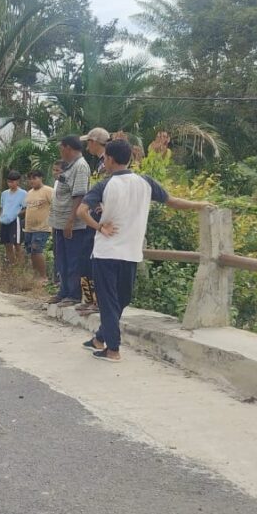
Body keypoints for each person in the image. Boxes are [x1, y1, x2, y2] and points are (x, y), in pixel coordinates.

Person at [77, 139, 211, 363]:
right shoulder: (145, 182)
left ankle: (110, 347)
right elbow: (173, 202)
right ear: (129, 158)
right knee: (120, 299)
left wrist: (99, 226)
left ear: (109, 159)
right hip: (130, 252)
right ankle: (105, 342)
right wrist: (200, 205)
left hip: (106, 252)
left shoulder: (104, 185)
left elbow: (82, 211)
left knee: (111, 302)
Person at [47, 136, 93, 306]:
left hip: (71, 223)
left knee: (73, 259)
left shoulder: (80, 166)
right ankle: (63, 291)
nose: (61, 152)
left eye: (61, 148)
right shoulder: (69, 166)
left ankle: (73, 294)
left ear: (68, 148)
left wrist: (71, 221)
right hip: (59, 221)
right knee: (61, 258)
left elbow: (80, 195)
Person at [75, 126, 111, 315]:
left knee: (92, 257)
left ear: (95, 143)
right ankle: (89, 299)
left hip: (100, 217)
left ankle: (95, 300)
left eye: (88, 142)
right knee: (86, 256)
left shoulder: (106, 163)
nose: (87, 146)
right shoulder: (99, 163)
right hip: (94, 214)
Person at [22, 170, 54, 280]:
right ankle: (36, 276)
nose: (32, 181)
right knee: (31, 252)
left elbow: (55, 206)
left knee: (37, 250)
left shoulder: (48, 191)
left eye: (34, 178)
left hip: (42, 227)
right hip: (29, 228)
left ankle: (43, 277)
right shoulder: (29, 193)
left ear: (41, 178)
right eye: (30, 178)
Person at [0, 170, 27, 265]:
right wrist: (1, 216)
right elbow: (2, 206)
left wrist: (17, 214)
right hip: (4, 220)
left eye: (12, 182)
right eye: (8, 182)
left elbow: (26, 208)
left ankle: (20, 266)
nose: (10, 184)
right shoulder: (4, 193)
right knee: (7, 244)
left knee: (17, 243)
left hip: (15, 221)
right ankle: (12, 264)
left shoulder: (23, 193)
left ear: (18, 181)